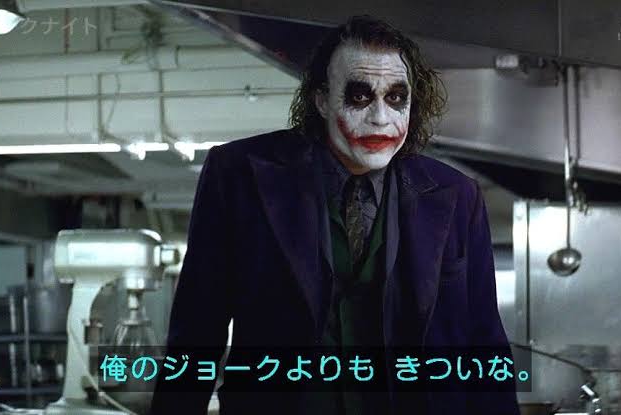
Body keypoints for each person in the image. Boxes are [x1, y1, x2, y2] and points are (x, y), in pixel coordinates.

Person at [150, 15, 519, 415]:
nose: (381, 118)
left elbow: (484, 343)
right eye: (359, 97)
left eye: (397, 98)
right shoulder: (238, 174)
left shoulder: (457, 195)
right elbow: (197, 330)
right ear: (322, 100)